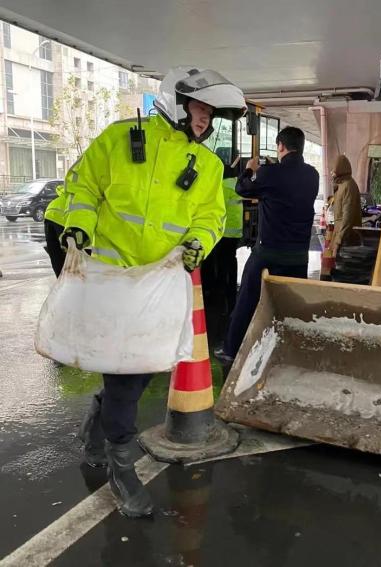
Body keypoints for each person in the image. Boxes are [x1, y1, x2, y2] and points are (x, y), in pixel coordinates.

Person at [67, 66, 246, 518]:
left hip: (163, 284)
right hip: (110, 278)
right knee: (124, 375)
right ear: (176, 101)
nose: (205, 120)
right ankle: (121, 466)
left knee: (144, 367)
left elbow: (211, 216)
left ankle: (99, 419)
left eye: (211, 114)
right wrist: (78, 227)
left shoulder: (207, 164)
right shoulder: (118, 138)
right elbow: (84, 187)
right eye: (201, 109)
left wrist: (197, 244)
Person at [215, 127, 319, 366]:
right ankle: (289, 352)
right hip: (299, 256)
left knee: (247, 300)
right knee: (291, 305)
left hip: (269, 253)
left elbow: (243, 189)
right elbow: (288, 186)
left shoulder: (270, 174)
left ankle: (231, 349)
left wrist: (252, 169)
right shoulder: (313, 175)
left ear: (280, 146)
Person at [201, 159, 243, 346]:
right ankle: (230, 290)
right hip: (235, 231)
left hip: (221, 231)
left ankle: (214, 287)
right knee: (230, 260)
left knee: (215, 261)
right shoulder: (237, 184)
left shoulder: (218, 185)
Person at [329, 154, 362, 258]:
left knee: (343, 269)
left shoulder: (348, 186)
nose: (332, 172)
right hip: (342, 236)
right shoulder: (342, 185)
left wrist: (338, 241)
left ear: (340, 170)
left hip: (346, 239)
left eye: (334, 169)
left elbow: (347, 218)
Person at [43, 183, 67, 277]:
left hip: (50, 213)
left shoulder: (68, 193)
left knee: (55, 253)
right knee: (73, 254)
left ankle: (61, 281)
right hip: (63, 219)